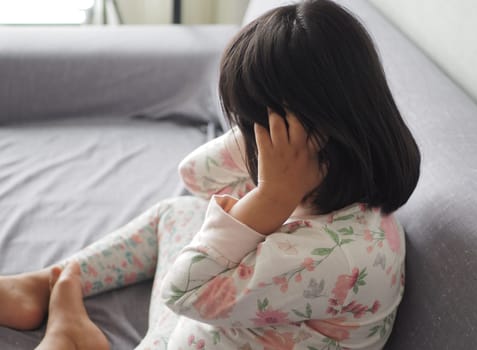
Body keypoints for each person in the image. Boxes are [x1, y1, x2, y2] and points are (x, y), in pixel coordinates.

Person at [0, 0, 420, 349]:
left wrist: (271, 197)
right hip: (229, 324)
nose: (248, 137)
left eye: (253, 123)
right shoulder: (333, 184)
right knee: (178, 212)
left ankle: (72, 340)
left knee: (194, 253)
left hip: (201, 323)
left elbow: (183, 293)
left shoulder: (334, 257)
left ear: (314, 133)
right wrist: (270, 158)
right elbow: (195, 176)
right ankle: (43, 284)